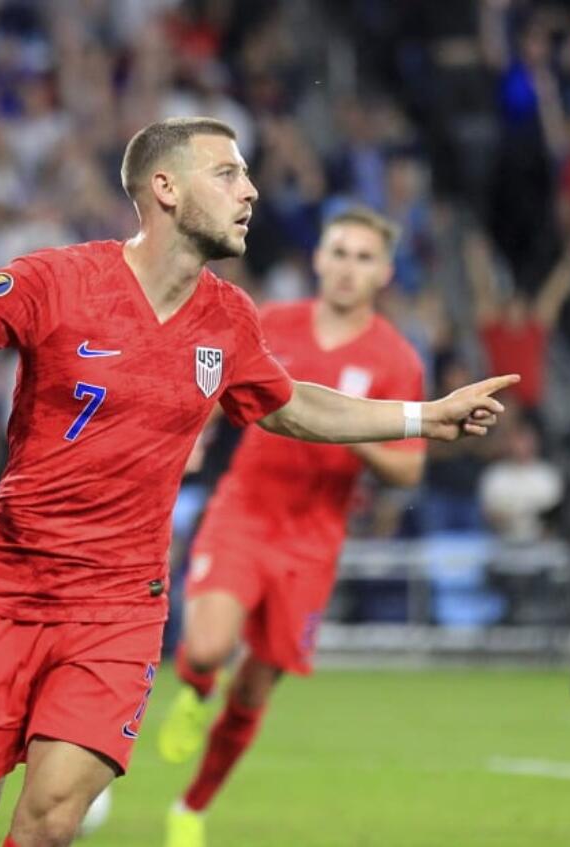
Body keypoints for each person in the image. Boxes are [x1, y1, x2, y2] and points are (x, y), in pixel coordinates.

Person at [0, 117, 517, 847]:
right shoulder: (58, 278)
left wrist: (425, 417)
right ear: (166, 188)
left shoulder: (230, 317)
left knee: (48, 825)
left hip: (120, 607)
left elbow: (291, 403)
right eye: (229, 174)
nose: (252, 190)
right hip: (9, 588)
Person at [154, 205, 427, 847]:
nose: (348, 267)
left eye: (363, 257)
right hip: (246, 508)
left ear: (383, 272)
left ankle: (191, 807)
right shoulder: (270, 323)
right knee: (207, 647)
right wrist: (193, 433)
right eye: (339, 252)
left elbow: (408, 472)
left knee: (255, 686)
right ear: (318, 258)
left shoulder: (395, 358)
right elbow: (211, 386)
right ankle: (194, 688)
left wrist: (346, 427)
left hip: (314, 538)